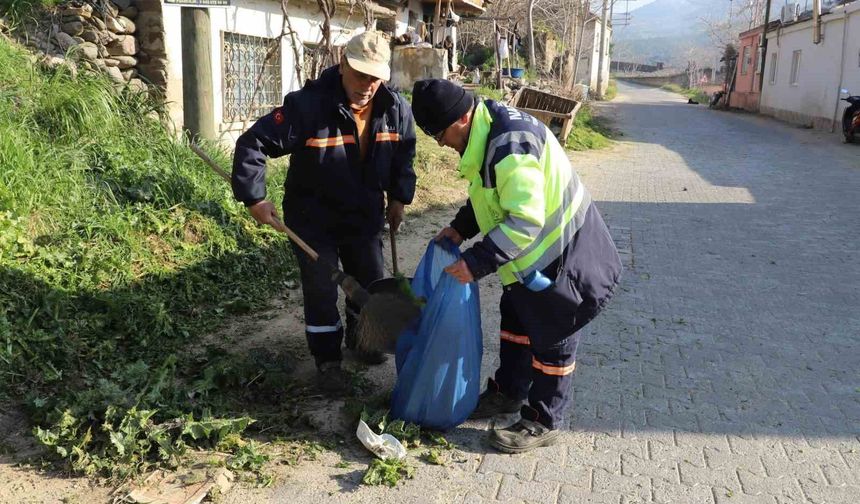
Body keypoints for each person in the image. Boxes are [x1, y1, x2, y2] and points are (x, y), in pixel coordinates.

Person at [410, 79, 621, 453]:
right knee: (517, 319)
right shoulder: (485, 130)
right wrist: (461, 228)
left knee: (554, 336)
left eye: (440, 134)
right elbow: (492, 192)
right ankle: (509, 391)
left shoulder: (510, 144)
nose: (440, 144)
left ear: (461, 118)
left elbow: (525, 220)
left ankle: (545, 419)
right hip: (530, 259)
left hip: (564, 256)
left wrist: (476, 262)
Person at [232, 31, 417, 393]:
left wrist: (399, 197)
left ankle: (363, 340)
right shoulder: (308, 106)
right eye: (360, 75)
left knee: (369, 280)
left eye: (375, 77)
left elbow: (403, 156)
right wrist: (255, 199)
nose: (367, 86)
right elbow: (253, 143)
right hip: (312, 216)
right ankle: (328, 361)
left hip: (364, 213)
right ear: (343, 64)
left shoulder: (395, 108)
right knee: (321, 288)